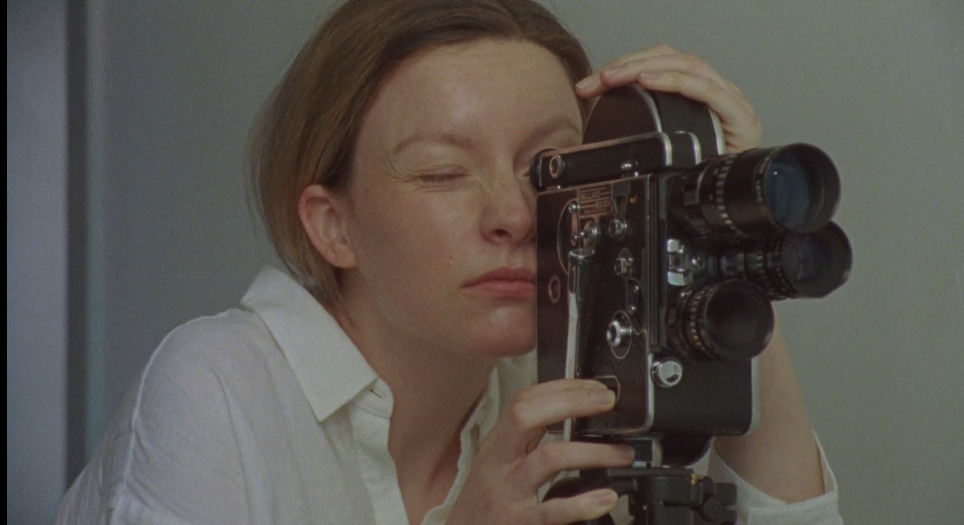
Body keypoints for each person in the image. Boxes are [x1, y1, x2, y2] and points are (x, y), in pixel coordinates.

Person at [56, 0, 843, 523]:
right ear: (334, 227)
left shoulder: (559, 387)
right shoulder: (215, 387)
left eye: (546, 170)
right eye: (441, 172)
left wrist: (722, 245)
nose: (511, 216)